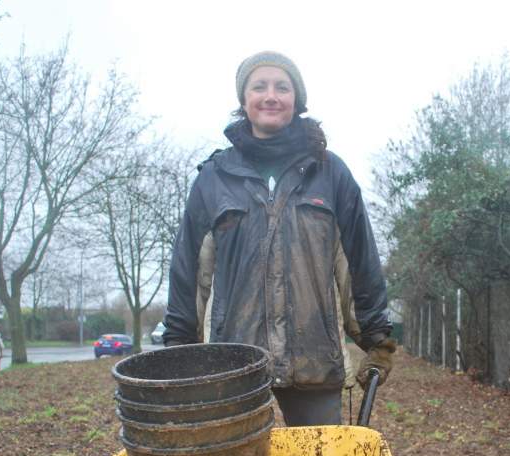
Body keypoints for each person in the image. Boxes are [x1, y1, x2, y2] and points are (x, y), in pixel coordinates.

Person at [164, 51, 396, 427]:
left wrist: (376, 339)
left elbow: (359, 263)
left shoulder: (330, 173)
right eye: (259, 86)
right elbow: (190, 270)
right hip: (233, 367)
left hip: (314, 361)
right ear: (244, 100)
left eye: (282, 87)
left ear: (296, 100)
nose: (270, 95)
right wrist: (178, 345)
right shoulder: (214, 178)